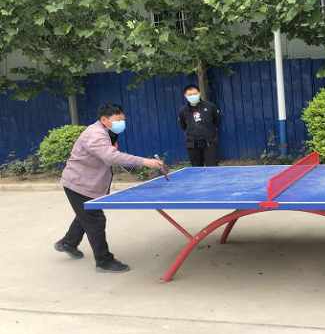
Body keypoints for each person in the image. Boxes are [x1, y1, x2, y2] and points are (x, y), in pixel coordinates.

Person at [54, 104, 164, 273]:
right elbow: (110, 156)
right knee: (95, 219)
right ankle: (104, 261)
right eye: (118, 119)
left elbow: (110, 156)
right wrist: (144, 162)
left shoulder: (108, 132)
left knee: (86, 214)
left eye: (123, 119)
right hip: (78, 183)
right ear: (104, 120)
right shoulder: (96, 134)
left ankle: (68, 243)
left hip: (88, 182)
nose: (122, 123)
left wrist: (132, 166)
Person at [178, 84, 221, 167]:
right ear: (185, 96)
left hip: (209, 143)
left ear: (199, 93)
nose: (192, 96)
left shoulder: (210, 106)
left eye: (195, 94)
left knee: (213, 168)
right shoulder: (183, 110)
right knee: (196, 169)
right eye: (190, 95)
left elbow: (217, 121)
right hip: (192, 145)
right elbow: (183, 125)